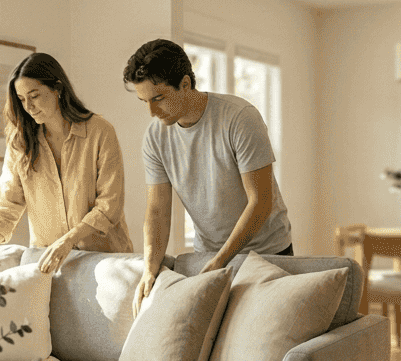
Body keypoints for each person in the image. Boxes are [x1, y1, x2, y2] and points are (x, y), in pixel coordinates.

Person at [124, 38, 292, 310]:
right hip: (210, 255)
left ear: (186, 83)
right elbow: (157, 211)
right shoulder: (155, 138)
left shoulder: (240, 118)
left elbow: (261, 203)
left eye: (158, 98)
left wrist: (219, 261)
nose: (152, 112)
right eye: (144, 101)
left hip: (268, 254)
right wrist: (149, 270)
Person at [0, 52, 132, 275]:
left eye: (34, 95)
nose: (28, 106)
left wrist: (67, 241)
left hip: (105, 261)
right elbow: (7, 204)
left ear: (57, 89)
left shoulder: (100, 132)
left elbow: (110, 205)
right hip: (50, 264)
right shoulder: (21, 141)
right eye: (21, 99)